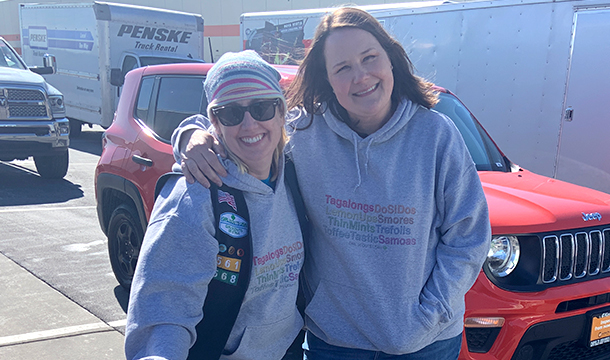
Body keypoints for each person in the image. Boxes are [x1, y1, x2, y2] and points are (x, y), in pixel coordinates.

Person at [173, 7, 491, 360]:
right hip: (335, 341)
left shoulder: (436, 135)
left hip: (426, 341)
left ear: (390, 59)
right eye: (342, 68)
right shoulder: (304, 132)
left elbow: (469, 237)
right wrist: (191, 134)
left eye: (369, 58)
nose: (361, 76)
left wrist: (433, 312)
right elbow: (245, 120)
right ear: (326, 79)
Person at [125, 50, 304, 360]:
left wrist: (186, 133)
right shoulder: (195, 196)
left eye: (261, 107)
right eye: (231, 113)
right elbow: (165, 308)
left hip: (289, 350)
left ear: (281, 111)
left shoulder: (296, 169)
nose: (249, 124)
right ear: (215, 123)